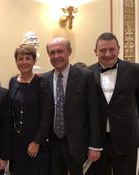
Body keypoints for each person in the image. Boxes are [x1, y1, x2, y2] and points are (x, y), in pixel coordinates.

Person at [43, 37, 102, 175]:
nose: (56, 56)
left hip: (78, 144)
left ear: (69, 51)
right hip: (52, 143)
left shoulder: (86, 76)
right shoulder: (44, 79)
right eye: (52, 53)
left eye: (60, 51)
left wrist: (95, 146)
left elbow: (94, 113)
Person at [88, 32, 139, 175]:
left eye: (112, 49)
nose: (108, 54)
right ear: (95, 52)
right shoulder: (85, 73)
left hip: (126, 140)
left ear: (119, 49)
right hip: (97, 142)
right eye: (102, 50)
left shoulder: (135, 70)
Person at [9, 44, 53, 175]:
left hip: (35, 142)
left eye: (28, 58)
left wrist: (37, 141)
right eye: (20, 58)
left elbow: (47, 115)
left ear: (34, 61)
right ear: (16, 61)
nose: (24, 62)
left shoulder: (42, 83)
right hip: (17, 142)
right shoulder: (12, 81)